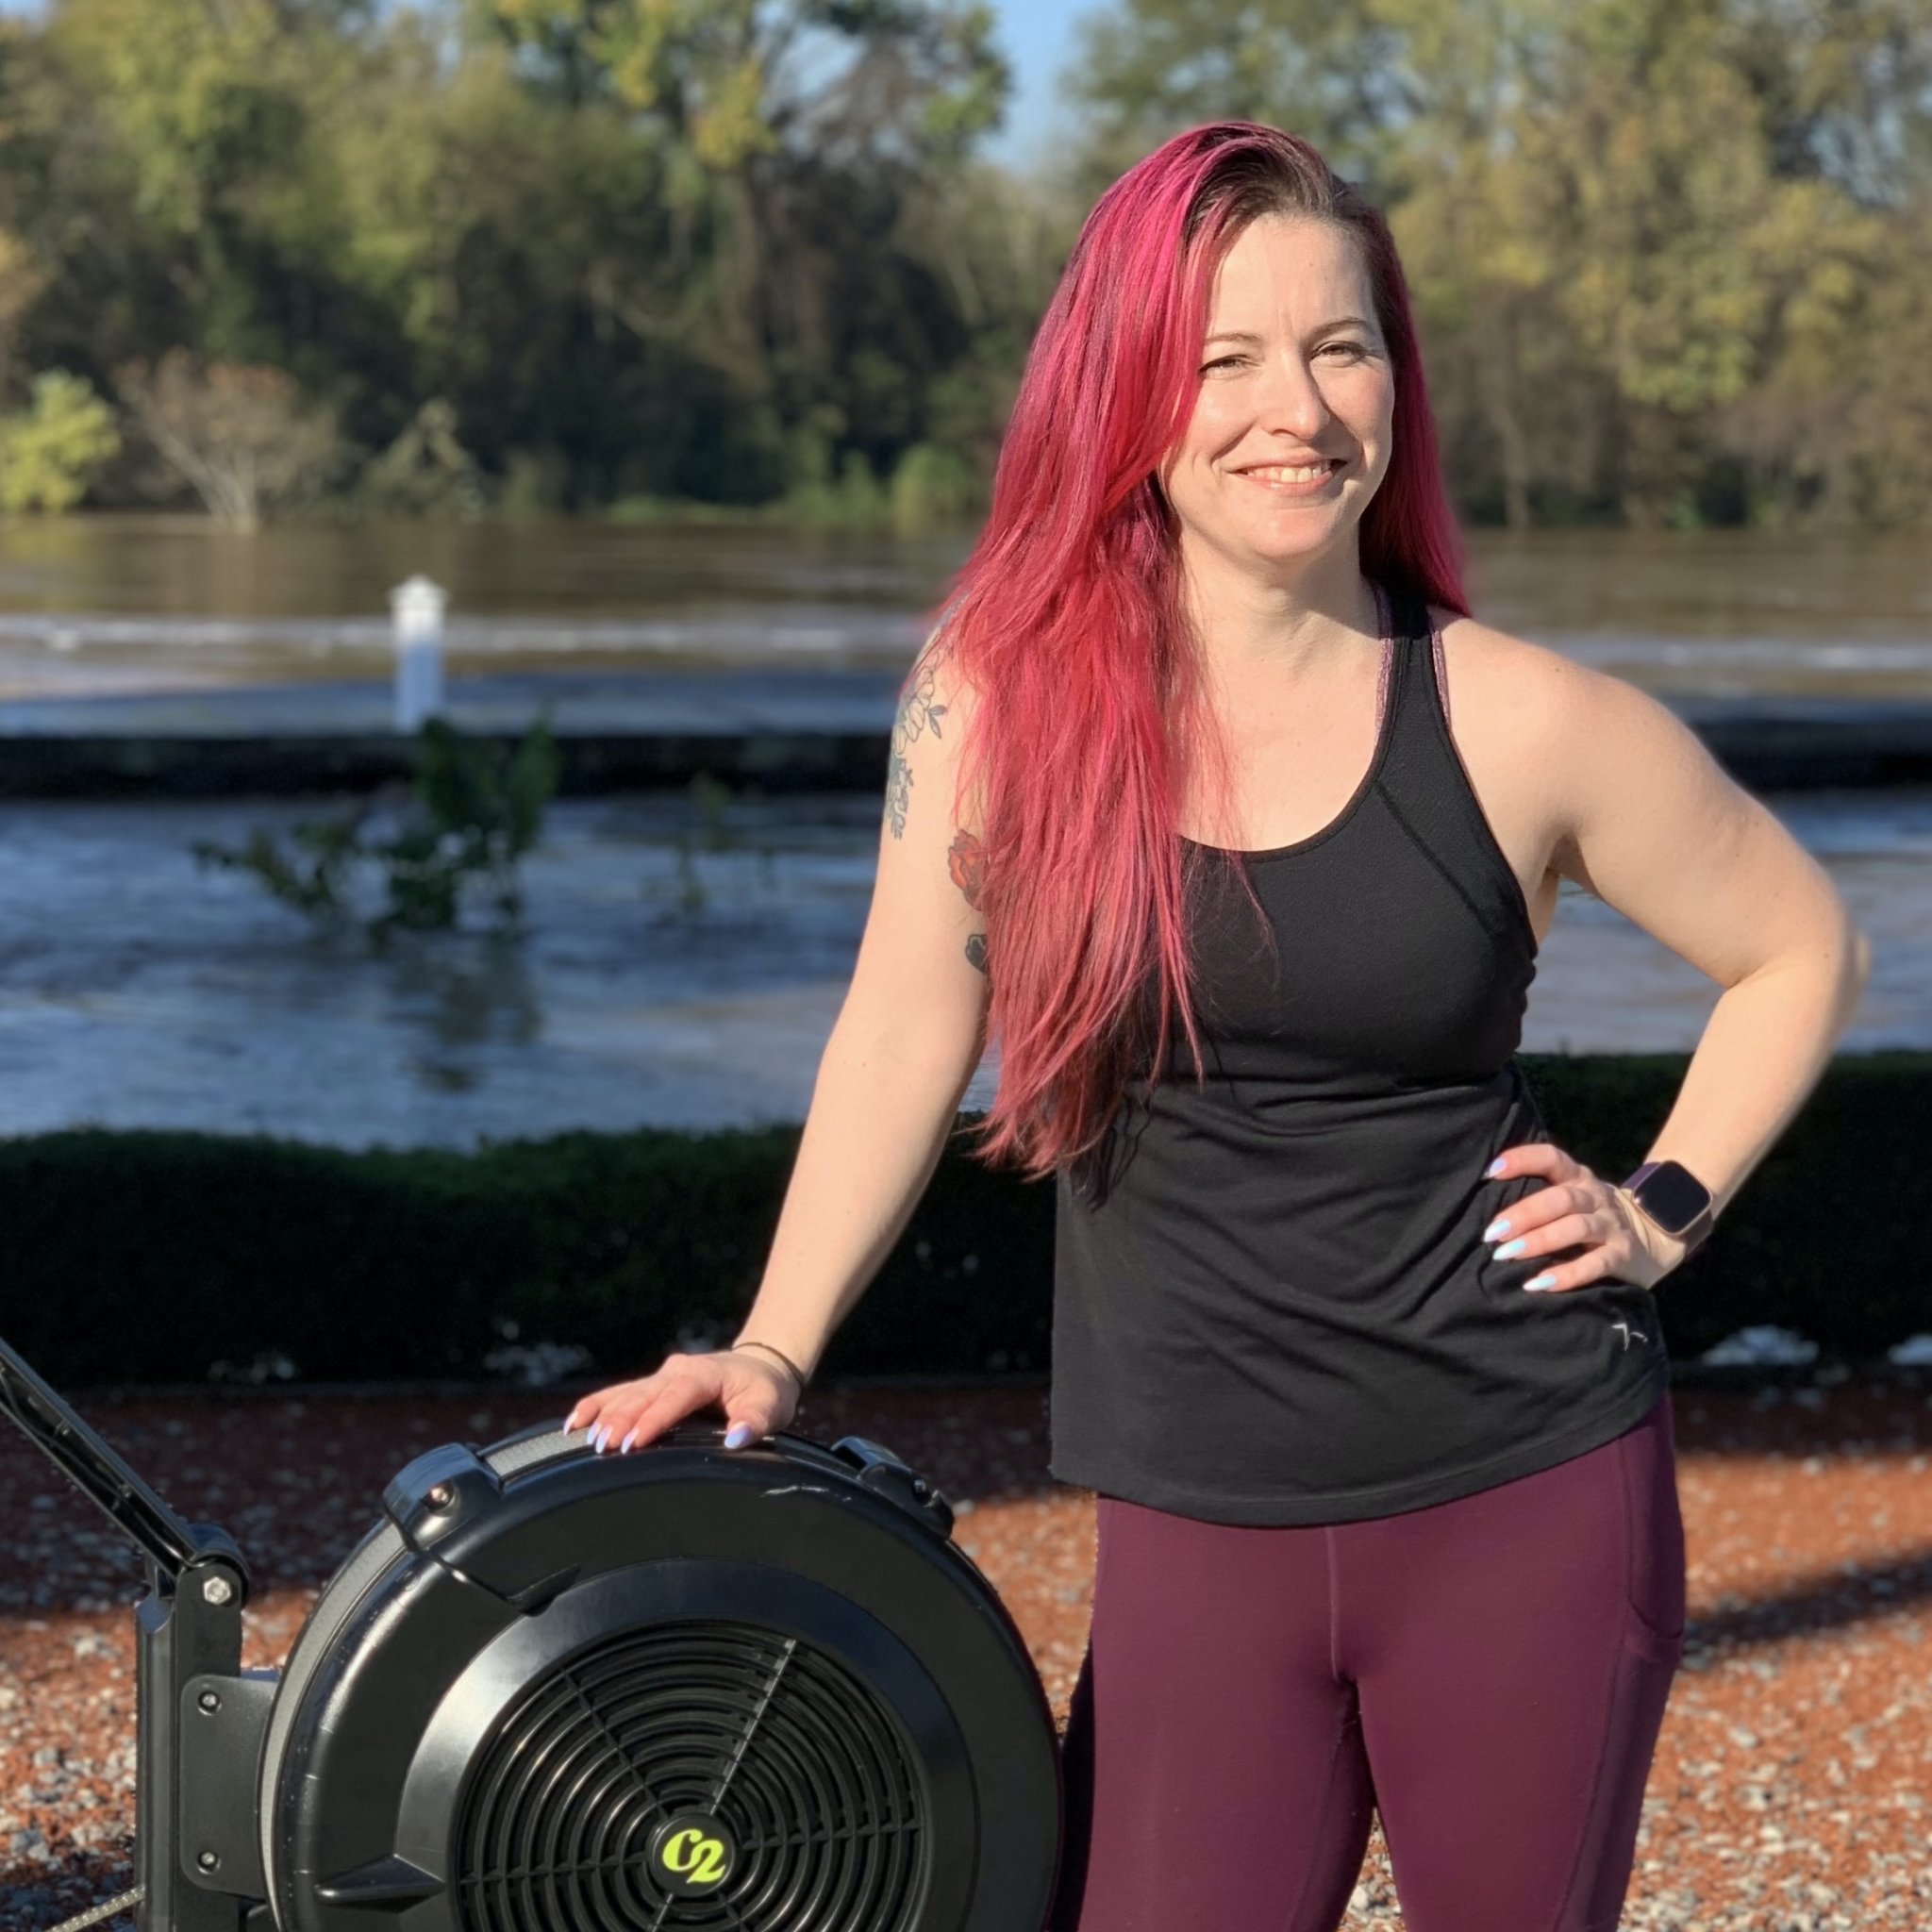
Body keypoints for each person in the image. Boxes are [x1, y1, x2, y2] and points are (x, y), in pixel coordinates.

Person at [563, 121, 1870, 1929]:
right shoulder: (993, 704)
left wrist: (1662, 1208)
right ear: (1125, 389)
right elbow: (904, 1024)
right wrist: (773, 1349)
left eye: (1342, 348)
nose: (1298, 410)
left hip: (1524, 1495)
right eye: (1225, 358)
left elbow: (1801, 945)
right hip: (1189, 1522)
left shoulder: (1524, 722)